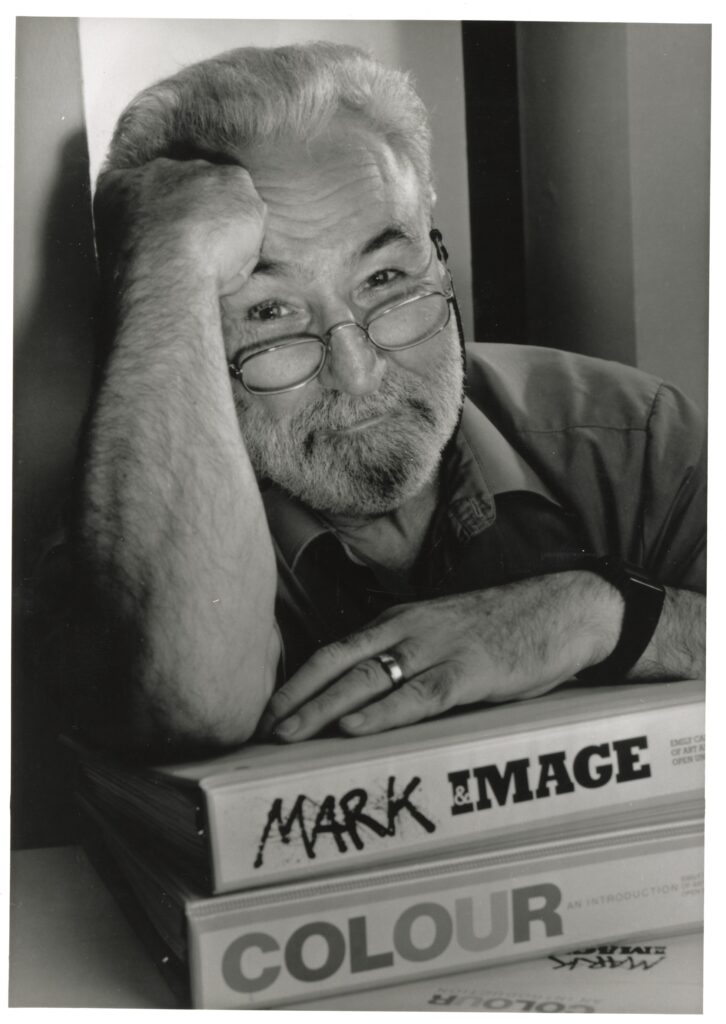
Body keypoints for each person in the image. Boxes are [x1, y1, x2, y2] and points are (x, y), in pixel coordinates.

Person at [71, 41, 705, 757]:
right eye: (269, 313)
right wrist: (167, 257)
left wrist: (600, 615)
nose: (357, 368)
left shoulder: (632, 437)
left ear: (439, 256)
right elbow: (190, 707)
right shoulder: (143, 518)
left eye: (385, 281)